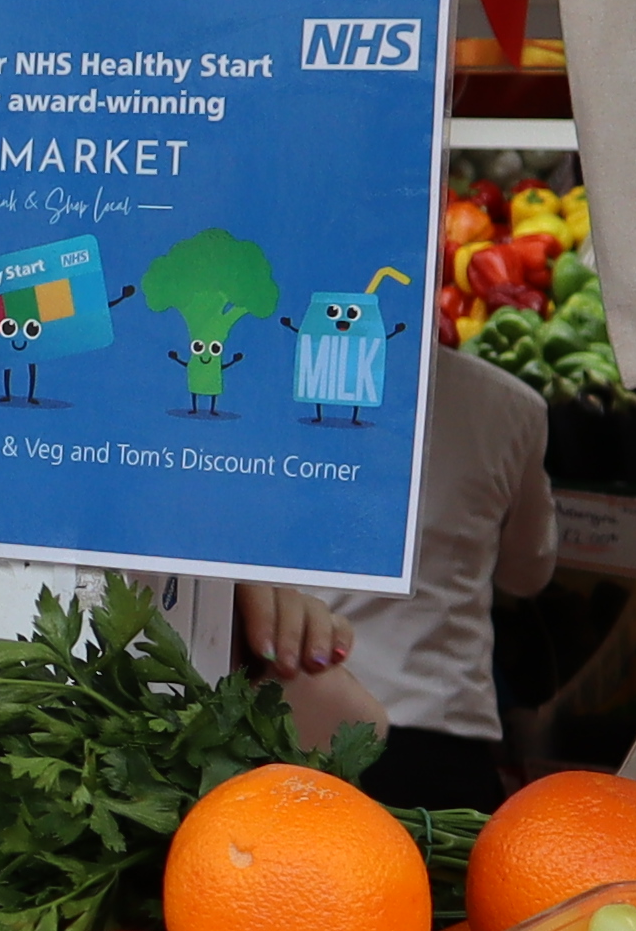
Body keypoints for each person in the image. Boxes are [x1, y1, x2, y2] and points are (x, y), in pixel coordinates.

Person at [236, 340, 556, 812]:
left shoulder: (255, 378)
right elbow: (528, 573)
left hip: (288, 717)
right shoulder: (507, 403)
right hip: (434, 733)